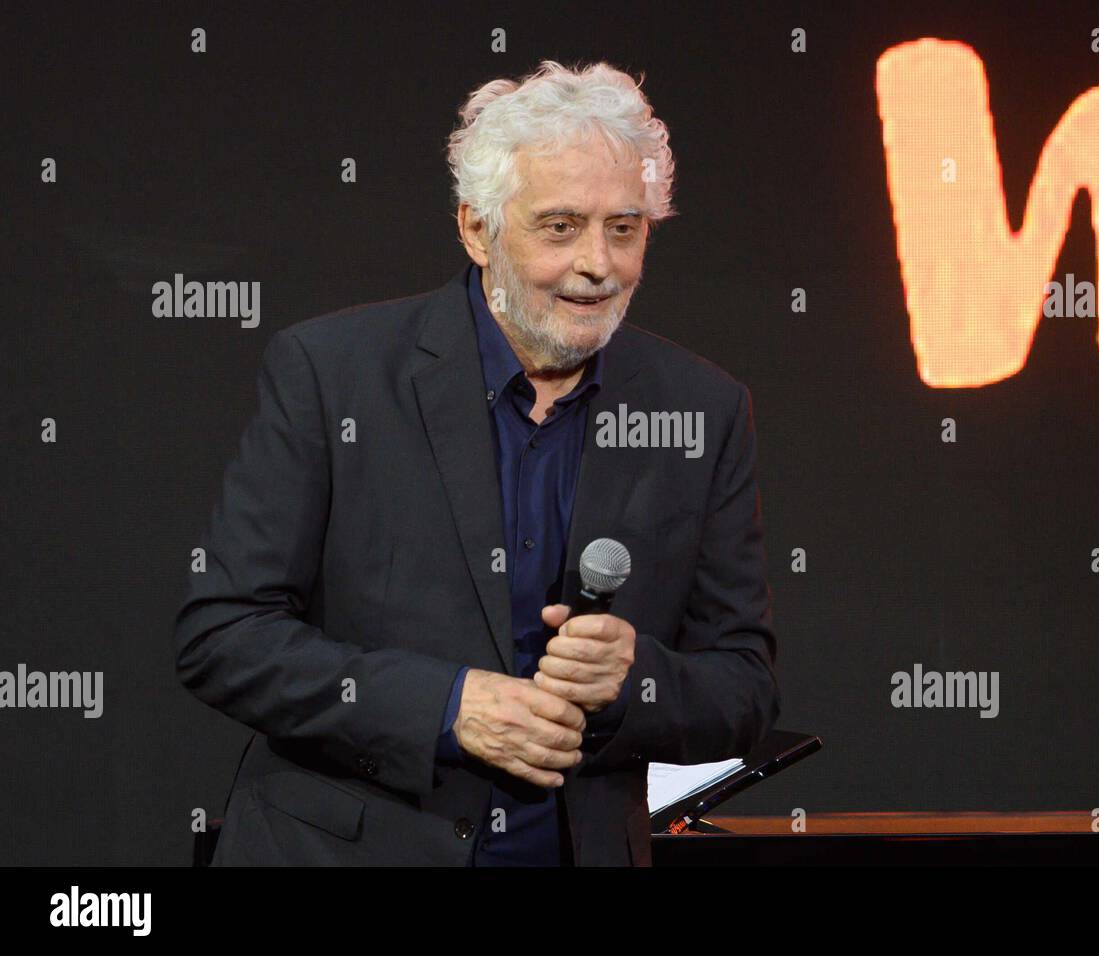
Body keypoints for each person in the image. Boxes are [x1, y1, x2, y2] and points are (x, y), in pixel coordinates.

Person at [174, 59, 780, 866]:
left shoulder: (701, 408)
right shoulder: (332, 374)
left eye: (624, 228)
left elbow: (744, 686)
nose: (598, 263)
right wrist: (447, 707)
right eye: (560, 227)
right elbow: (224, 635)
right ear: (476, 228)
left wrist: (632, 680)